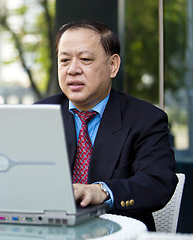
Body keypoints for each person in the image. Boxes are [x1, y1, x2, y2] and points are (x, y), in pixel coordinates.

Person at [35, 20, 178, 231]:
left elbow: (157, 182)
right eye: (64, 60)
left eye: (85, 59)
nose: (73, 70)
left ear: (113, 65)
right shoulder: (39, 115)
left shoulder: (146, 119)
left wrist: (102, 192)